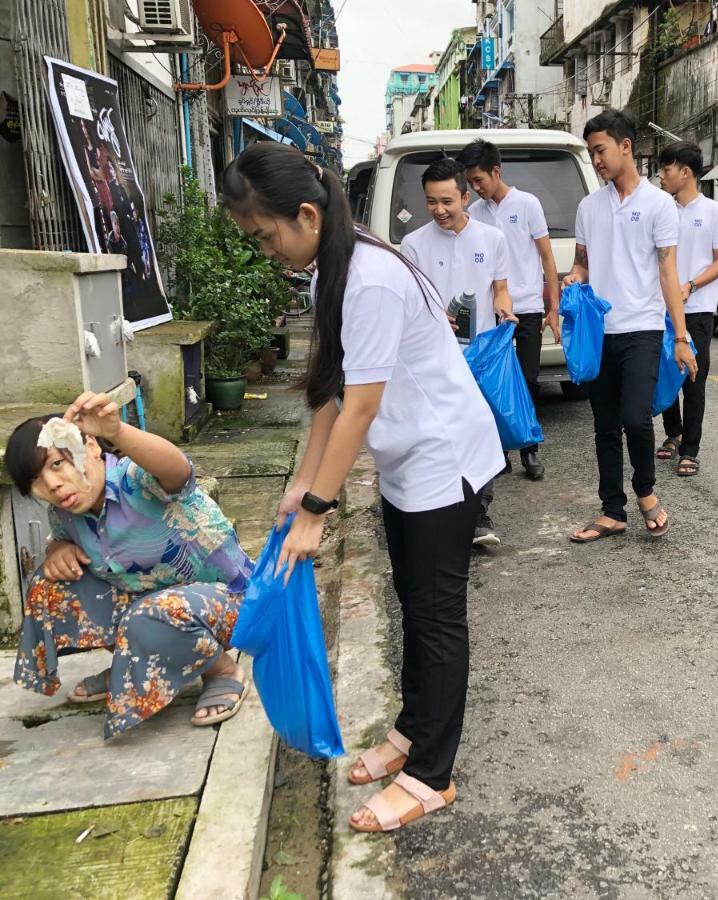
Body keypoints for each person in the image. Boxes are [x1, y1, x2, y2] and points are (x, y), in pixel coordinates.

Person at [223, 142, 503, 834]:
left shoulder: (370, 277)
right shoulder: (331, 273)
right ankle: (413, 730)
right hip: (408, 460)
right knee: (414, 602)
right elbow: (329, 392)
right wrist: (303, 485)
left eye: (265, 236)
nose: (265, 251)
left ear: (308, 215)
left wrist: (320, 507)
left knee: (437, 616)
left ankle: (431, 776)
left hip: (443, 456)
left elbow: (361, 407)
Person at [5, 394, 252, 739]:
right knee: (49, 584)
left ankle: (221, 672)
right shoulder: (64, 514)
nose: (51, 485)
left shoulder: (137, 477)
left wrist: (117, 431)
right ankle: (133, 663)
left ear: (90, 446)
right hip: (151, 611)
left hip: (230, 603)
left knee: (151, 612)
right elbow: (67, 553)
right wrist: (57, 549)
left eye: (57, 464)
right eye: (36, 480)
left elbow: (178, 469)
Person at [564, 109, 697, 543]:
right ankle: (611, 511)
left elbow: (667, 274)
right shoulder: (588, 206)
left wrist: (679, 337)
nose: (596, 160)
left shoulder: (659, 206)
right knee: (604, 424)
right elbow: (582, 263)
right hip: (600, 331)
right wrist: (574, 279)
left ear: (625, 146)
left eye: (600, 150)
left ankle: (645, 492)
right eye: (591, 153)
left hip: (641, 328)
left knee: (636, 419)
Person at [399, 158, 516, 548]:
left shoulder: (492, 238)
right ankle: (442, 513)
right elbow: (411, 301)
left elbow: (500, 287)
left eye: (447, 200)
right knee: (440, 437)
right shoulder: (413, 244)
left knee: (480, 434)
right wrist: (432, 319)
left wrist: (503, 307)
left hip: (481, 354)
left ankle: (480, 516)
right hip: (434, 356)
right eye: (432, 202)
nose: (439, 210)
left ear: (465, 196)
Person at [458, 139, 560, 481]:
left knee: (527, 381)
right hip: (492, 312)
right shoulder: (474, 213)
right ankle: (498, 452)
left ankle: (530, 451)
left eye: (478, 180)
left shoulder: (527, 204)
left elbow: (547, 257)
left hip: (528, 307)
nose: (475, 187)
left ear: (496, 172)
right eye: (470, 182)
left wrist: (553, 306)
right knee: (492, 384)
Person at [654, 140, 718, 476]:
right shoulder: (662, 209)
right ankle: (673, 433)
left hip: (698, 307)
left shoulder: (714, 212)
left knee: (694, 378)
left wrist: (691, 285)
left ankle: (691, 449)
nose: (661, 176)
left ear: (686, 173)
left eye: (666, 169)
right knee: (666, 371)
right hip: (661, 306)